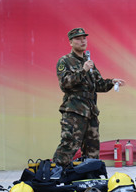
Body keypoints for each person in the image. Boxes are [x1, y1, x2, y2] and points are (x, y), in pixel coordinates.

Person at [53, 28, 125, 168]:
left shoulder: (89, 62)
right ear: (71, 42)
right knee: (69, 145)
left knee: (92, 151)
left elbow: (98, 85)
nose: (82, 41)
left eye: (84, 38)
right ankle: (55, 175)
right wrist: (83, 70)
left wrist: (112, 82)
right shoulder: (65, 61)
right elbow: (65, 84)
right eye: (78, 39)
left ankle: (90, 178)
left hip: (90, 112)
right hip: (74, 111)